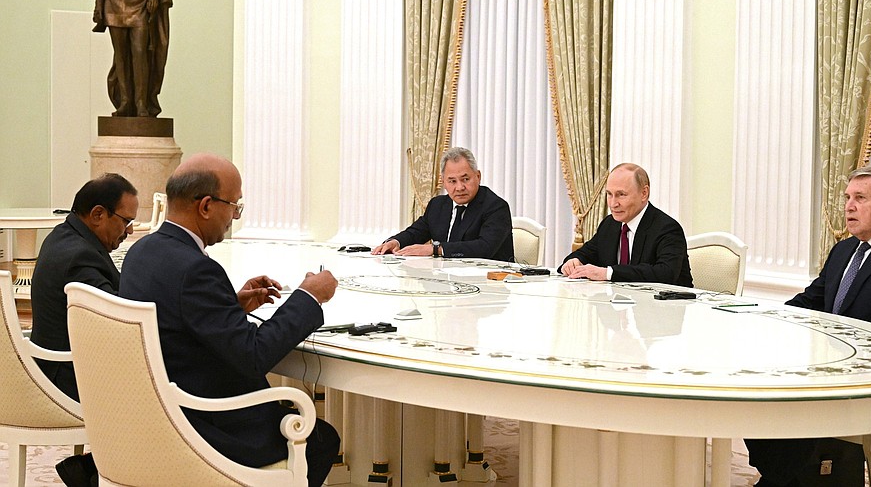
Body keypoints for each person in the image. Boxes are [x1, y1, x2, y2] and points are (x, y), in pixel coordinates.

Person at [118, 154, 340, 485]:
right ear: (206, 206)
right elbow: (253, 356)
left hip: (152, 417)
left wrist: (231, 306)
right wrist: (308, 296)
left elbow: (174, 320)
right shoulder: (196, 269)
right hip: (202, 425)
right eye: (235, 206)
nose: (235, 216)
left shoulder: (142, 251)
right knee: (320, 438)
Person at [745, 166, 871, 486]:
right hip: (834, 368)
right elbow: (811, 300)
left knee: (798, 403)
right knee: (759, 386)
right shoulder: (844, 249)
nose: (849, 206)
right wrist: (769, 322)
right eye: (847, 198)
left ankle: (789, 478)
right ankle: (783, 476)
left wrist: (861, 358)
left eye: (860, 198)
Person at [30, 173, 138, 487]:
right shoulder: (79, 257)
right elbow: (117, 322)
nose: (129, 231)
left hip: (60, 365)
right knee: (171, 383)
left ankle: (98, 468)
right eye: (126, 222)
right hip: (65, 379)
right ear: (98, 214)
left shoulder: (64, 236)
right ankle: (103, 472)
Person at [371, 147, 515, 262]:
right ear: (443, 181)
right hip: (445, 278)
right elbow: (415, 233)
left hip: (490, 282)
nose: (459, 187)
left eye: (465, 179)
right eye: (452, 181)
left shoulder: (496, 207)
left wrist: (436, 249)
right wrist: (395, 242)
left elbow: (485, 248)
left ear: (478, 176)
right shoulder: (437, 205)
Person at [559, 163, 693, 285]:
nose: (613, 204)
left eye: (621, 195)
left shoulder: (667, 228)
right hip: (615, 301)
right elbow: (586, 253)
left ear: (644, 193)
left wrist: (608, 273)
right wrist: (574, 261)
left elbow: (665, 273)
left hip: (668, 303)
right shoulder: (609, 224)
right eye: (609, 194)